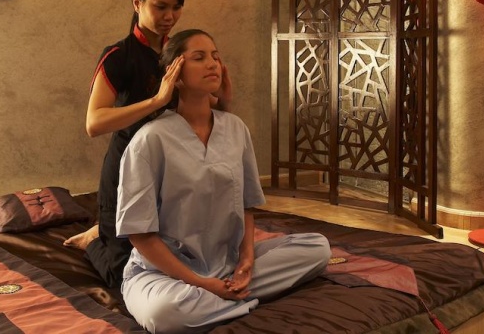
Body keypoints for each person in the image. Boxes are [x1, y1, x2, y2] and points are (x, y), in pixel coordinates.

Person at [115, 29, 331, 333]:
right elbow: (140, 235)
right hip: (164, 274)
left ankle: (227, 295)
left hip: (227, 263)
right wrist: (203, 283)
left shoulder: (235, 128)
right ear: (175, 75)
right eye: (199, 57)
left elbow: (246, 207)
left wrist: (246, 262)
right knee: (164, 314)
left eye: (216, 57)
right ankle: (236, 299)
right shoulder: (149, 140)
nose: (213, 64)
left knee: (318, 248)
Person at [64, 0, 231, 288]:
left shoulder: (177, 53)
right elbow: (94, 123)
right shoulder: (118, 55)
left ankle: (103, 231)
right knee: (124, 277)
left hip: (171, 171)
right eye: (160, 7)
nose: (170, 16)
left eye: (176, 8)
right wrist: (156, 100)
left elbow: (204, 107)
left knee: (177, 260)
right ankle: (95, 241)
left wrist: (223, 97)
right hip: (126, 171)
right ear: (137, 2)